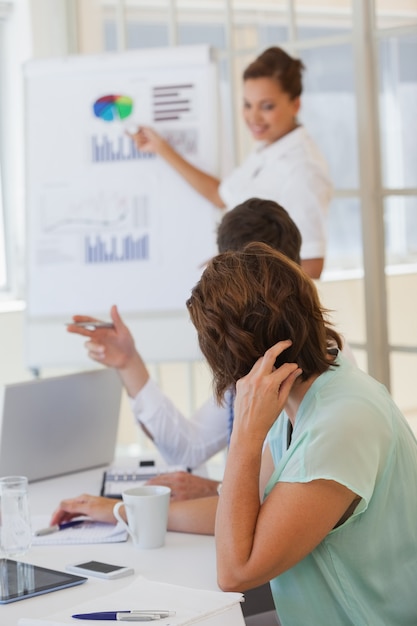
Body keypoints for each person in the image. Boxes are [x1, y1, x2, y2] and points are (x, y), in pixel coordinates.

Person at [53, 243, 417, 625]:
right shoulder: (304, 392)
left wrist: (245, 435)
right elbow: (243, 511)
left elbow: (236, 571)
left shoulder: (340, 423)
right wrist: (121, 511)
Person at [67, 198, 306, 500]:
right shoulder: (255, 356)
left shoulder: (317, 369)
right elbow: (189, 448)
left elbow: (286, 501)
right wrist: (129, 363)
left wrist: (217, 490)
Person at [131, 47, 332, 279]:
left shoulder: (303, 170)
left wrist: (239, 273)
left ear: (295, 104)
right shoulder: (265, 150)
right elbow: (221, 194)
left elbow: (312, 265)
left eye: (267, 106)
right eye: (248, 104)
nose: (253, 118)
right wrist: (161, 148)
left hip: (265, 309)